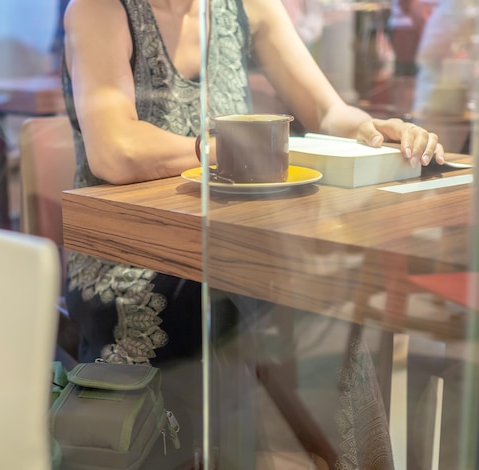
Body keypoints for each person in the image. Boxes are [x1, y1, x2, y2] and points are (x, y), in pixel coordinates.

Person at [60, 0, 446, 466]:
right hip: (136, 251)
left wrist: (370, 129)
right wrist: (222, 149)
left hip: (238, 245)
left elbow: (326, 111)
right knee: (288, 301)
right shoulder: (99, 10)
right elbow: (114, 151)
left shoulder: (246, 6)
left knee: (319, 293)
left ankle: (304, 454)